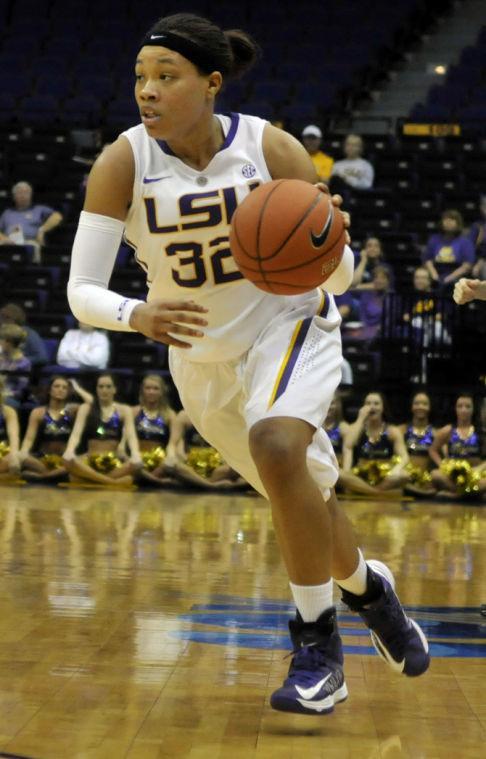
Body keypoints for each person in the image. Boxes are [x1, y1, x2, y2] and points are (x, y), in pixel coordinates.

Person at [67, 13, 429, 716]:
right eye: (141, 78)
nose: (147, 91)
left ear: (210, 83)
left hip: (286, 323)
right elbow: (81, 290)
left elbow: (344, 277)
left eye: (165, 77)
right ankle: (369, 592)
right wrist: (136, 315)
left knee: (277, 443)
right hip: (200, 361)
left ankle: (318, 646)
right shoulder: (123, 160)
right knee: (304, 501)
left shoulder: (270, 146)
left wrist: (336, 242)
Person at [62, 373, 141, 487]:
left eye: (108, 387)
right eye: (101, 386)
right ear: (96, 389)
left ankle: (91, 480)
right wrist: (69, 450)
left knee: (137, 465)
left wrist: (135, 453)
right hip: (89, 461)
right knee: (67, 461)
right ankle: (111, 482)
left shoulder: (124, 410)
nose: (104, 390)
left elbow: (132, 436)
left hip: (113, 462)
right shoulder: (86, 408)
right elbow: (75, 434)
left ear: (115, 389)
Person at [19, 376, 92, 482]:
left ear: (68, 392)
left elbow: (91, 404)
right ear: (49, 390)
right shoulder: (38, 412)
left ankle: (43, 477)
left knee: (83, 460)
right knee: (21, 457)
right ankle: (54, 475)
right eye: (57, 386)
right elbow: (29, 439)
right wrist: (24, 452)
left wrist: (77, 388)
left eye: (64, 387)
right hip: (42, 459)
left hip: (64, 459)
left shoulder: (72, 410)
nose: (60, 389)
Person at [341, 392, 410, 496]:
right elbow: (348, 445)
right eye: (368, 403)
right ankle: (378, 493)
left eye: (376, 403)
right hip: (361, 476)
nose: (372, 407)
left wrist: (396, 469)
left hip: (385, 476)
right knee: (339, 474)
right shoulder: (357, 428)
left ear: (383, 408)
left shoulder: (392, 431)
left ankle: (364, 491)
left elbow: (404, 456)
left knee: (404, 475)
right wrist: (360, 419)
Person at [170, 409, 249, 490]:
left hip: (215, 466)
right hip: (190, 465)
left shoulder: (221, 415)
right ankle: (211, 486)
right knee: (172, 465)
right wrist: (181, 458)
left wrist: (223, 461)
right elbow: (175, 444)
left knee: (233, 469)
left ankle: (196, 483)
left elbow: (228, 446)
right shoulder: (184, 416)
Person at [429, 394, 485, 499]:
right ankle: (471, 495)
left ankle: (456, 495)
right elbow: (433, 450)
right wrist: (442, 465)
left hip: (475, 475)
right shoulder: (448, 430)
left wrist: (479, 468)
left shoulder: (480, 432)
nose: (464, 410)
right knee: (435, 474)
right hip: (452, 477)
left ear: (473, 410)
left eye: (468, 407)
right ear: (455, 409)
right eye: (460, 406)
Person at [130, 373, 179, 486]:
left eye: (156, 388)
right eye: (148, 388)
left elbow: (173, 443)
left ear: (162, 392)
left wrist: (170, 456)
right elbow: (127, 439)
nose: (151, 392)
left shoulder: (170, 415)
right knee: (133, 465)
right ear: (142, 390)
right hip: (139, 459)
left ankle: (145, 480)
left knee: (172, 465)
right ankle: (157, 481)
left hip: (159, 462)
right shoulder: (134, 412)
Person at [0, 181, 63, 263]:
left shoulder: (39, 209)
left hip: (30, 243)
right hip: (8, 244)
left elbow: (57, 217)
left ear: (31, 195)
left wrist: (42, 230)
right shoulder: (7, 213)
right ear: (14, 196)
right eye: (19, 192)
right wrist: (5, 239)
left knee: (34, 247)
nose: (23, 195)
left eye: (26, 192)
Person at [422, 210, 475, 291]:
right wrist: (434, 275)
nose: (448, 222)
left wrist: (450, 277)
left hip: (456, 275)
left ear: (458, 223)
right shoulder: (434, 239)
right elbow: (427, 260)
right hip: (436, 272)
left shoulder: (465, 242)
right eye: (445, 219)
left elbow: (467, 266)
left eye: (452, 219)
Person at [398, 392, 436, 496]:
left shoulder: (436, 433)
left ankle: (418, 491)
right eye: (417, 403)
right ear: (411, 407)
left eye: (424, 404)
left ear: (430, 407)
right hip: (405, 477)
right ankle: (418, 492)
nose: (420, 407)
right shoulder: (401, 430)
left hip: (426, 480)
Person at [0, 303, 48, 368]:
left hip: (19, 372)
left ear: (18, 320)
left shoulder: (29, 334)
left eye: (7, 317)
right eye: (1, 316)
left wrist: (20, 361)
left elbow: (42, 358)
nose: (2, 320)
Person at [0, 324, 31, 407]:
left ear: (8, 342)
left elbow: (21, 391)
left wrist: (4, 394)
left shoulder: (24, 363)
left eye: (1, 339)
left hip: (10, 398)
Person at [0, 374, 20, 479]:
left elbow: (14, 436)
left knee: (21, 456)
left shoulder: (8, 411)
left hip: (3, 455)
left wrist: (14, 456)